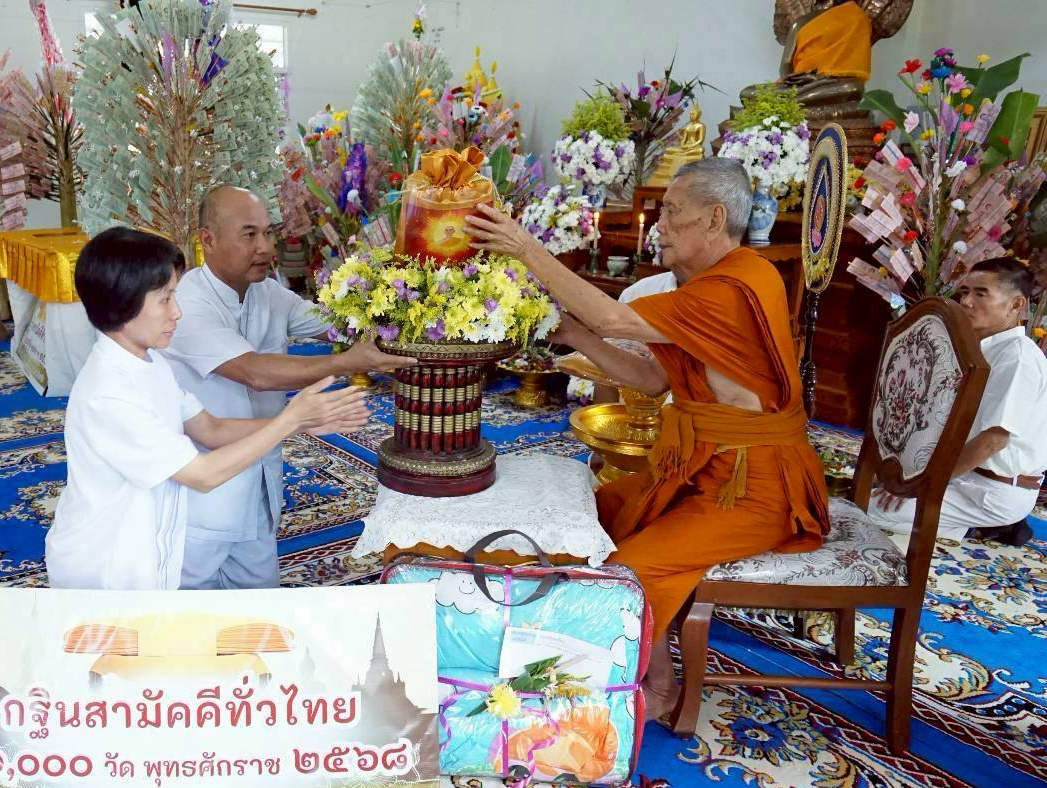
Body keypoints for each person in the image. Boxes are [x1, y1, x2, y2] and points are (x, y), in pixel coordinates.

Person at [465, 158, 830, 721]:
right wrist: (572, 332)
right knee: (591, 516)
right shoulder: (707, 285)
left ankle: (658, 688)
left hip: (752, 486)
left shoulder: (739, 284)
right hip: (701, 467)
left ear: (715, 219)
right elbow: (653, 379)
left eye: (672, 212)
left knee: (628, 570)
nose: (659, 225)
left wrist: (524, 247)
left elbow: (615, 320)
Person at [45, 227, 369, 591]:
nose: (177, 312)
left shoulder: (149, 362)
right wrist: (290, 419)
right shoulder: (110, 393)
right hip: (103, 569)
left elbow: (210, 429)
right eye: (165, 299)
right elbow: (201, 474)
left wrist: (300, 423)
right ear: (124, 303)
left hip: (143, 550)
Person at [165, 186, 416, 590]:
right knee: (185, 612)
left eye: (268, 233)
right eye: (249, 235)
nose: (265, 247)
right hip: (201, 491)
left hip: (260, 482)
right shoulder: (187, 304)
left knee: (261, 604)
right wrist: (347, 362)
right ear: (207, 239)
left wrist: (405, 305)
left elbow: (333, 322)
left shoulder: (267, 292)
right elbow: (253, 372)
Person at [869, 257, 1047, 545]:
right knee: (871, 488)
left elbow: (993, 441)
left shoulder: (1018, 358)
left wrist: (926, 485)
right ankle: (962, 521)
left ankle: (990, 528)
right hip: (966, 474)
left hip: (994, 490)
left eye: (981, 294)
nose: (966, 302)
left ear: (1016, 305)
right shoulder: (978, 348)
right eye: (965, 292)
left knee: (873, 509)